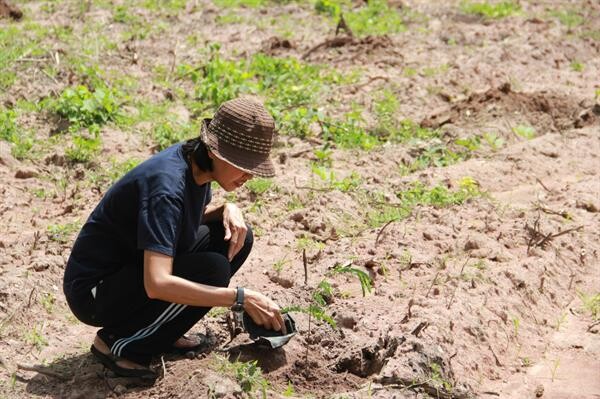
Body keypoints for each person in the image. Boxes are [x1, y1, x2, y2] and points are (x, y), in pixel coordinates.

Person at [63, 97, 286, 379]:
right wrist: (239, 298)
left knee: (235, 237)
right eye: (243, 164)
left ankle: (161, 332)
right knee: (213, 270)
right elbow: (157, 283)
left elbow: (179, 219)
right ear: (216, 152)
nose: (249, 175)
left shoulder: (195, 166)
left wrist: (226, 209)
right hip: (96, 292)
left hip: (131, 265)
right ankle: (119, 346)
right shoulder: (167, 187)